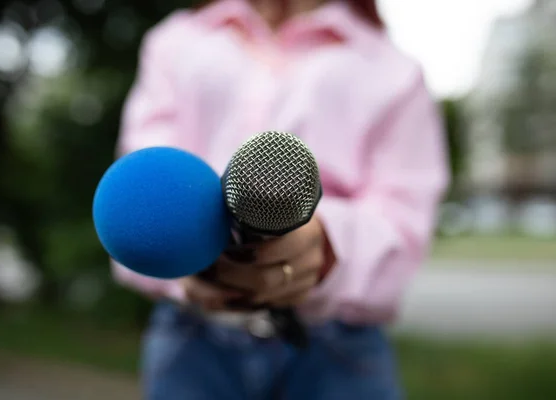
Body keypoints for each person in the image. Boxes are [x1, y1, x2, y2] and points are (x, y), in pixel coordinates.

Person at [112, 0, 449, 398]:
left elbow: (403, 222)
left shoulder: (393, 69)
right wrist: (183, 265)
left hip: (337, 349)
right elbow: (141, 186)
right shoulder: (176, 43)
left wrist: (324, 247)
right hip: (192, 341)